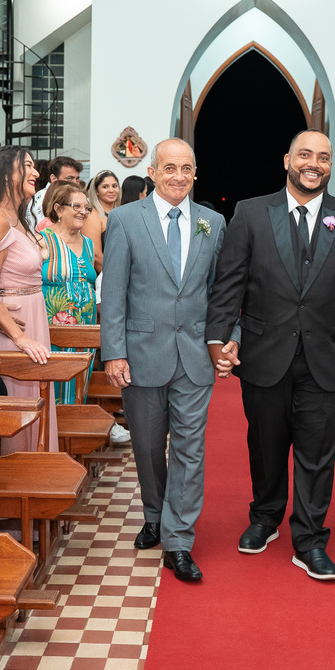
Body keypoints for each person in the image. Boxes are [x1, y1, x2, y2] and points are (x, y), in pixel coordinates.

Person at [205, 129, 335, 581]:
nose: (314, 163)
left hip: (327, 356)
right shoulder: (250, 213)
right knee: (265, 446)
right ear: (287, 159)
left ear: (330, 165)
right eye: (305, 154)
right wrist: (217, 338)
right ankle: (265, 517)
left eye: (323, 157)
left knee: (318, 451)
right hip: (264, 352)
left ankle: (308, 538)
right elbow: (230, 283)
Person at [102, 138, 226, 582]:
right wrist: (113, 351)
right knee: (149, 446)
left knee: (190, 450)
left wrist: (223, 341)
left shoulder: (213, 222)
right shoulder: (123, 220)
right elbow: (113, 293)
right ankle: (154, 513)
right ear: (152, 172)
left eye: (186, 169)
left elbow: (217, 293)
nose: (178, 176)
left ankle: (178, 540)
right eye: (169, 168)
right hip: (140, 353)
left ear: (196, 174)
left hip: (194, 356)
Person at [0, 146, 56, 454]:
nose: (36, 173)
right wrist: (19, 338)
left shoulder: (18, 219)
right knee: (18, 409)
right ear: (8, 174)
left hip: (32, 318)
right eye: (28, 166)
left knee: (35, 403)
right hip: (11, 329)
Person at [40, 180, 97, 405]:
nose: (83, 212)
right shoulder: (42, 239)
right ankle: (51, 436)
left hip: (86, 332)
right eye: (77, 206)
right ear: (58, 208)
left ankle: (70, 439)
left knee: (79, 388)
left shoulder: (89, 243)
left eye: (87, 208)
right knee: (53, 388)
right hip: (53, 332)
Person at [28, 155, 82, 230]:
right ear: (53, 178)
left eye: (77, 179)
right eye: (69, 178)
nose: (75, 183)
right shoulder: (44, 198)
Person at [82, 169, 120, 273]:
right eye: (105, 187)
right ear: (97, 191)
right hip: (105, 275)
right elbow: (96, 256)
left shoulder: (121, 212)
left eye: (114, 186)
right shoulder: (93, 216)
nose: (111, 190)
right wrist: (113, 277)